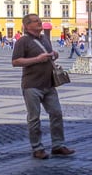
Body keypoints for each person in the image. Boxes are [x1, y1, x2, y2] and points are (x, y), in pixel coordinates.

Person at [11, 14, 75, 159]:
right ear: (27, 26)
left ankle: (58, 145)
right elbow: (15, 61)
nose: (39, 22)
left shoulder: (45, 39)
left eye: (39, 20)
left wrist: (54, 54)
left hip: (49, 83)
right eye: (35, 21)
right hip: (32, 85)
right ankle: (37, 148)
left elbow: (49, 55)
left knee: (56, 113)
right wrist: (37, 59)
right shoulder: (22, 41)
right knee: (34, 118)